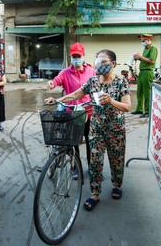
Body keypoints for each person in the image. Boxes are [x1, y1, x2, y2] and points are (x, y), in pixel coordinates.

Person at [45, 49, 131, 211]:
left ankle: (117, 185)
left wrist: (111, 101)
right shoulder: (93, 81)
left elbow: (127, 106)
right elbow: (76, 95)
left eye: (103, 62)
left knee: (116, 160)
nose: (99, 65)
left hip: (116, 129)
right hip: (96, 128)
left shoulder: (121, 82)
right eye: (97, 61)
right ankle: (95, 193)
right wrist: (57, 99)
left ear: (113, 64)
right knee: (96, 161)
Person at [47, 42, 96, 176]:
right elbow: (56, 80)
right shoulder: (66, 72)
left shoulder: (92, 71)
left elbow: (99, 85)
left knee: (90, 142)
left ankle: (92, 168)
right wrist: (52, 83)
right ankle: (75, 167)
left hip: (88, 112)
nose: (76, 58)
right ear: (70, 57)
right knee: (74, 143)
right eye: (74, 56)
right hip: (72, 113)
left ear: (83, 55)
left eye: (78, 55)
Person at [131, 34, 158, 118]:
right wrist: (137, 58)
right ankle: (139, 109)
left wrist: (141, 57)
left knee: (147, 93)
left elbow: (152, 61)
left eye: (143, 41)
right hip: (142, 72)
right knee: (139, 92)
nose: (142, 42)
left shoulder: (153, 49)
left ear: (149, 40)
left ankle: (148, 111)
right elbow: (144, 59)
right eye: (141, 41)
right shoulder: (145, 49)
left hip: (148, 72)